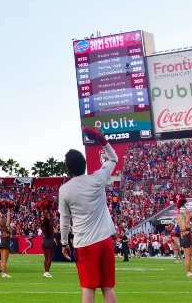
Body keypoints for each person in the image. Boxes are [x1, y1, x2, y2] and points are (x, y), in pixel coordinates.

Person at [59, 125, 119, 303]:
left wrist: (63, 242)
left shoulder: (65, 189)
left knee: (88, 288)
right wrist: (102, 139)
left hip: (85, 243)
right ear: (85, 164)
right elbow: (113, 158)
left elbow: (64, 220)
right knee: (108, 287)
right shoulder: (98, 178)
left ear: (69, 169)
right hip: (105, 240)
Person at [176, 199, 192, 277]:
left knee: (186, 257)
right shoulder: (186, 223)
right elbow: (189, 213)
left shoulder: (180, 224)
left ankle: (189, 272)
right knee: (188, 257)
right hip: (187, 239)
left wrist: (178, 207)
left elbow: (178, 214)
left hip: (183, 239)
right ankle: (189, 272)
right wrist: (184, 205)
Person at [0, 209, 12, 278]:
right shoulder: (7, 226)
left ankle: (3, 273)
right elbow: (8, 216)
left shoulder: (0, 227)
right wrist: (8, 209)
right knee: (4, 260)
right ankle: (4, 273)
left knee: (2, 260)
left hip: (2, 242)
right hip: (6, 243)